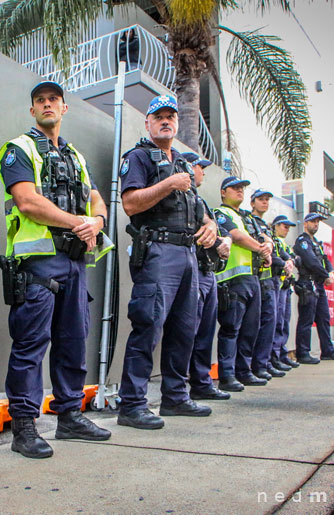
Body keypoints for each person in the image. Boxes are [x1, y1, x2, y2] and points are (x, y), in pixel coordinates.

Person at [0, 81, 112, 458]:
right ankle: (25, 427)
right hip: (39, 264)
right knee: (30, 345)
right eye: (40, 101)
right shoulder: (20, 149)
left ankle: (69, 416)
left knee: (73, 340)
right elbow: (27, 202)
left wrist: (96, 222)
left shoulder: (76, 155)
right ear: (33, 111)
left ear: (64, 108)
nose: (47, 105)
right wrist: (80, 221)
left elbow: (97, 199)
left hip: (75, 261)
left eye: (53, 100)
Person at [117, 95, 216, 430]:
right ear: (147, 123)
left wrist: (211, 225)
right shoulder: (139, 157)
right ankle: (132, 405)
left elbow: (197, 207)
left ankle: (175, 397)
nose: (166, 121)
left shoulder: (183, 164)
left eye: (170, 116)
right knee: (149, 325)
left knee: (185, 329)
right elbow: (130, 203)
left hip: (188, 254)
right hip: (159, 252)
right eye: (158, 116)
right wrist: (168, 184)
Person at [214, 177, 273, 391]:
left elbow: (265, 236)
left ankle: (244, 371)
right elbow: (236, 236)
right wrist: (260, 248)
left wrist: (268, 245)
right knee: (231, 328)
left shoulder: (247, 217)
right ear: (223, 192)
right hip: (232, 279)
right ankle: (227, 376)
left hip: (252, 277)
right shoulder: (221, 213)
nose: (240, 192)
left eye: (242, 189)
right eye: (235, 188)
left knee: (251, 328)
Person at [183, 152, 232, 401]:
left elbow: (217, 232)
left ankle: (202, 383)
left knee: (204, 332)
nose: (203, 172)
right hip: (194, 270)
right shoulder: (183, 197)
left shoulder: (200, 201)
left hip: (208, 271)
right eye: (200, 167)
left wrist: (225, 241)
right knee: (189, 331)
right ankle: (185, 388)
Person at [293, 213, 334, 363]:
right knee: (306, 320)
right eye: (312, 221)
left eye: (317, 222)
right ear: (305, 223)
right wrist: (326, 275)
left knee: (323, 318)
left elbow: (324, 260)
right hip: (308, 283)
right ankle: (303, 353)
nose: (315, 224)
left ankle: (328, 350)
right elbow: (311, 262)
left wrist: (331, 272)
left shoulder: (316, 242)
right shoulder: (302, 241)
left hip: (318, 284)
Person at [249, 190, 289, 379]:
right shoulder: (251, 222)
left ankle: (265, 363)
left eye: (267, 200)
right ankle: (259, 365)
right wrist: (282, 262)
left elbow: (278, 249)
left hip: (272, 279)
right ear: (252, 202)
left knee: (273, 322)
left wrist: (287, 260)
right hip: (262, 277)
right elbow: (265, 250)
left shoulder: (266, 226)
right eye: (261, 200)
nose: (265, 203)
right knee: (264, 322)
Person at [270, 215, 301, 369]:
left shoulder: (284, 244)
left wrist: (291, 260)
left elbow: (295, 258)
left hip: (286, 285)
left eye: (288, 227)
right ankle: (275, 356)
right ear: (275, 226)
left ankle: (282, 353)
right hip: (278, 284)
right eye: (284, 226)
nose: (286, 229)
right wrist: (289, 260)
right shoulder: (273, 240)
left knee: (284, 322)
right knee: (277, 322)